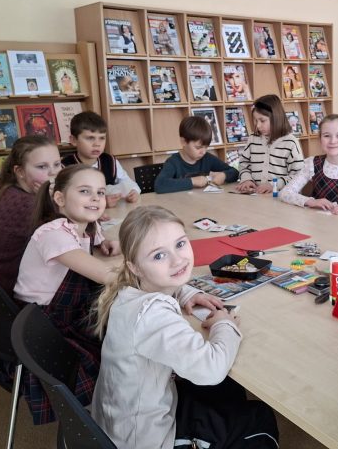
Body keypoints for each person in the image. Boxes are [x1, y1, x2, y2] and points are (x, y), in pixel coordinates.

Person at [91, 206, 279, 449]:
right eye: (159, 256)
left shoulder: (129, 291)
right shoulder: (153, 317)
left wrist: (188, 293)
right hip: (148, 440)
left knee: (227, 389)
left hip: (123, 423)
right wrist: (224, 323)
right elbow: (211, 369)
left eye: (180, 244)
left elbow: (162, 283)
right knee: (258, 417)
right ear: (135, 267)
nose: (178, 260)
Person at [14, 165, 122, 424]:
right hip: (46, 327)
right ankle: (107, 418)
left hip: (61, 313)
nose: (95, 198)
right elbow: (109, 277)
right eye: (84, 191)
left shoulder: (82, 227)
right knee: (120, 343)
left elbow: (93, 241)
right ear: (60, 198)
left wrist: (104, 242)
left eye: (100, 192)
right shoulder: (53, 234)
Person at [0, 135, 62, 296]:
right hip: (11, 294)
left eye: (57, 164)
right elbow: (69, 237)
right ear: (20, 171)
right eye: (42, 167)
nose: (53, 173)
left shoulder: (9, 190)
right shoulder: (26, 204)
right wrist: (54, 200)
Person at [280, 114, 338, 215]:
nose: (333, 141)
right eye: (326, 136)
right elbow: (285, 193)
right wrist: (311, 201)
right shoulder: (312, 164)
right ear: (320, 140)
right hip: (319, 222)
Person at [62, 111, 140, 208]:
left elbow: (128, 182)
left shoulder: (110, 161)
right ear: (73, 140)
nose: (97, 144)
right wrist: (101, 202)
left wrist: (134, 191)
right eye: (90, 138)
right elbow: (64, 200)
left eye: (102, 138)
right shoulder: (64, 167)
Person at [236, 94, 304, 194]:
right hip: (256, 197)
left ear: (276, 118)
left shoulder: (290, 142)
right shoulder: (253, 139)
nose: (258, 125)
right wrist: (246, 179)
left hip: (280, 197)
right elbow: (243, 164)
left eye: (262, 120)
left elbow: (299, 176)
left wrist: (274, 185)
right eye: (256, 120)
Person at [155, 116, 239, 193]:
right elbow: (160, 185)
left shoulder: (207, 158)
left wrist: (224, 176)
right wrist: (192, 181)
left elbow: (235, 172)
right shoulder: (173, 162)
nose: (203, 152)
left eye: (206, 147)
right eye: (198, 147)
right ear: (183, 142)